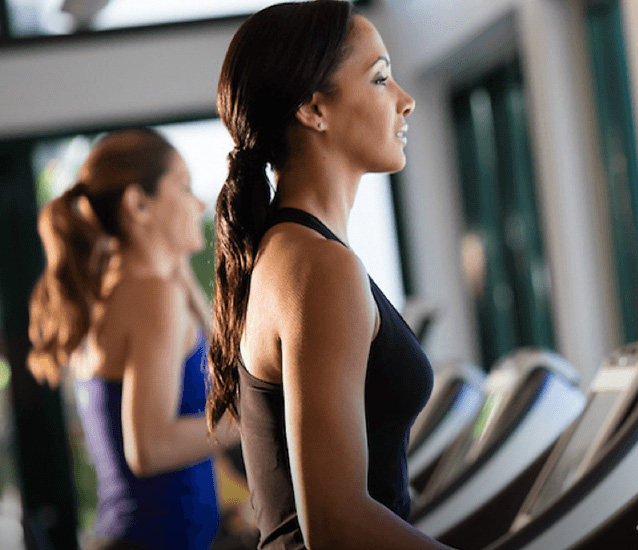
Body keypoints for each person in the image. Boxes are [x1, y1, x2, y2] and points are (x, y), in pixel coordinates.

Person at [207, 2, 449, 548]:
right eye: (381, 79)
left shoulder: (292, 252)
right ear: (315, 109)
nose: (405, 101)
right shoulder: (318, 267)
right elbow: (337, 523)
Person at [27, 128, 240, 550]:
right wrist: (251, 424)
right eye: (183, 186)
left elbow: (226, 363)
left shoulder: (123, 289)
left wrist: (178, 270)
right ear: (138, 204)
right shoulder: (149, 295)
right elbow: (150, 448)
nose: (199, 204)